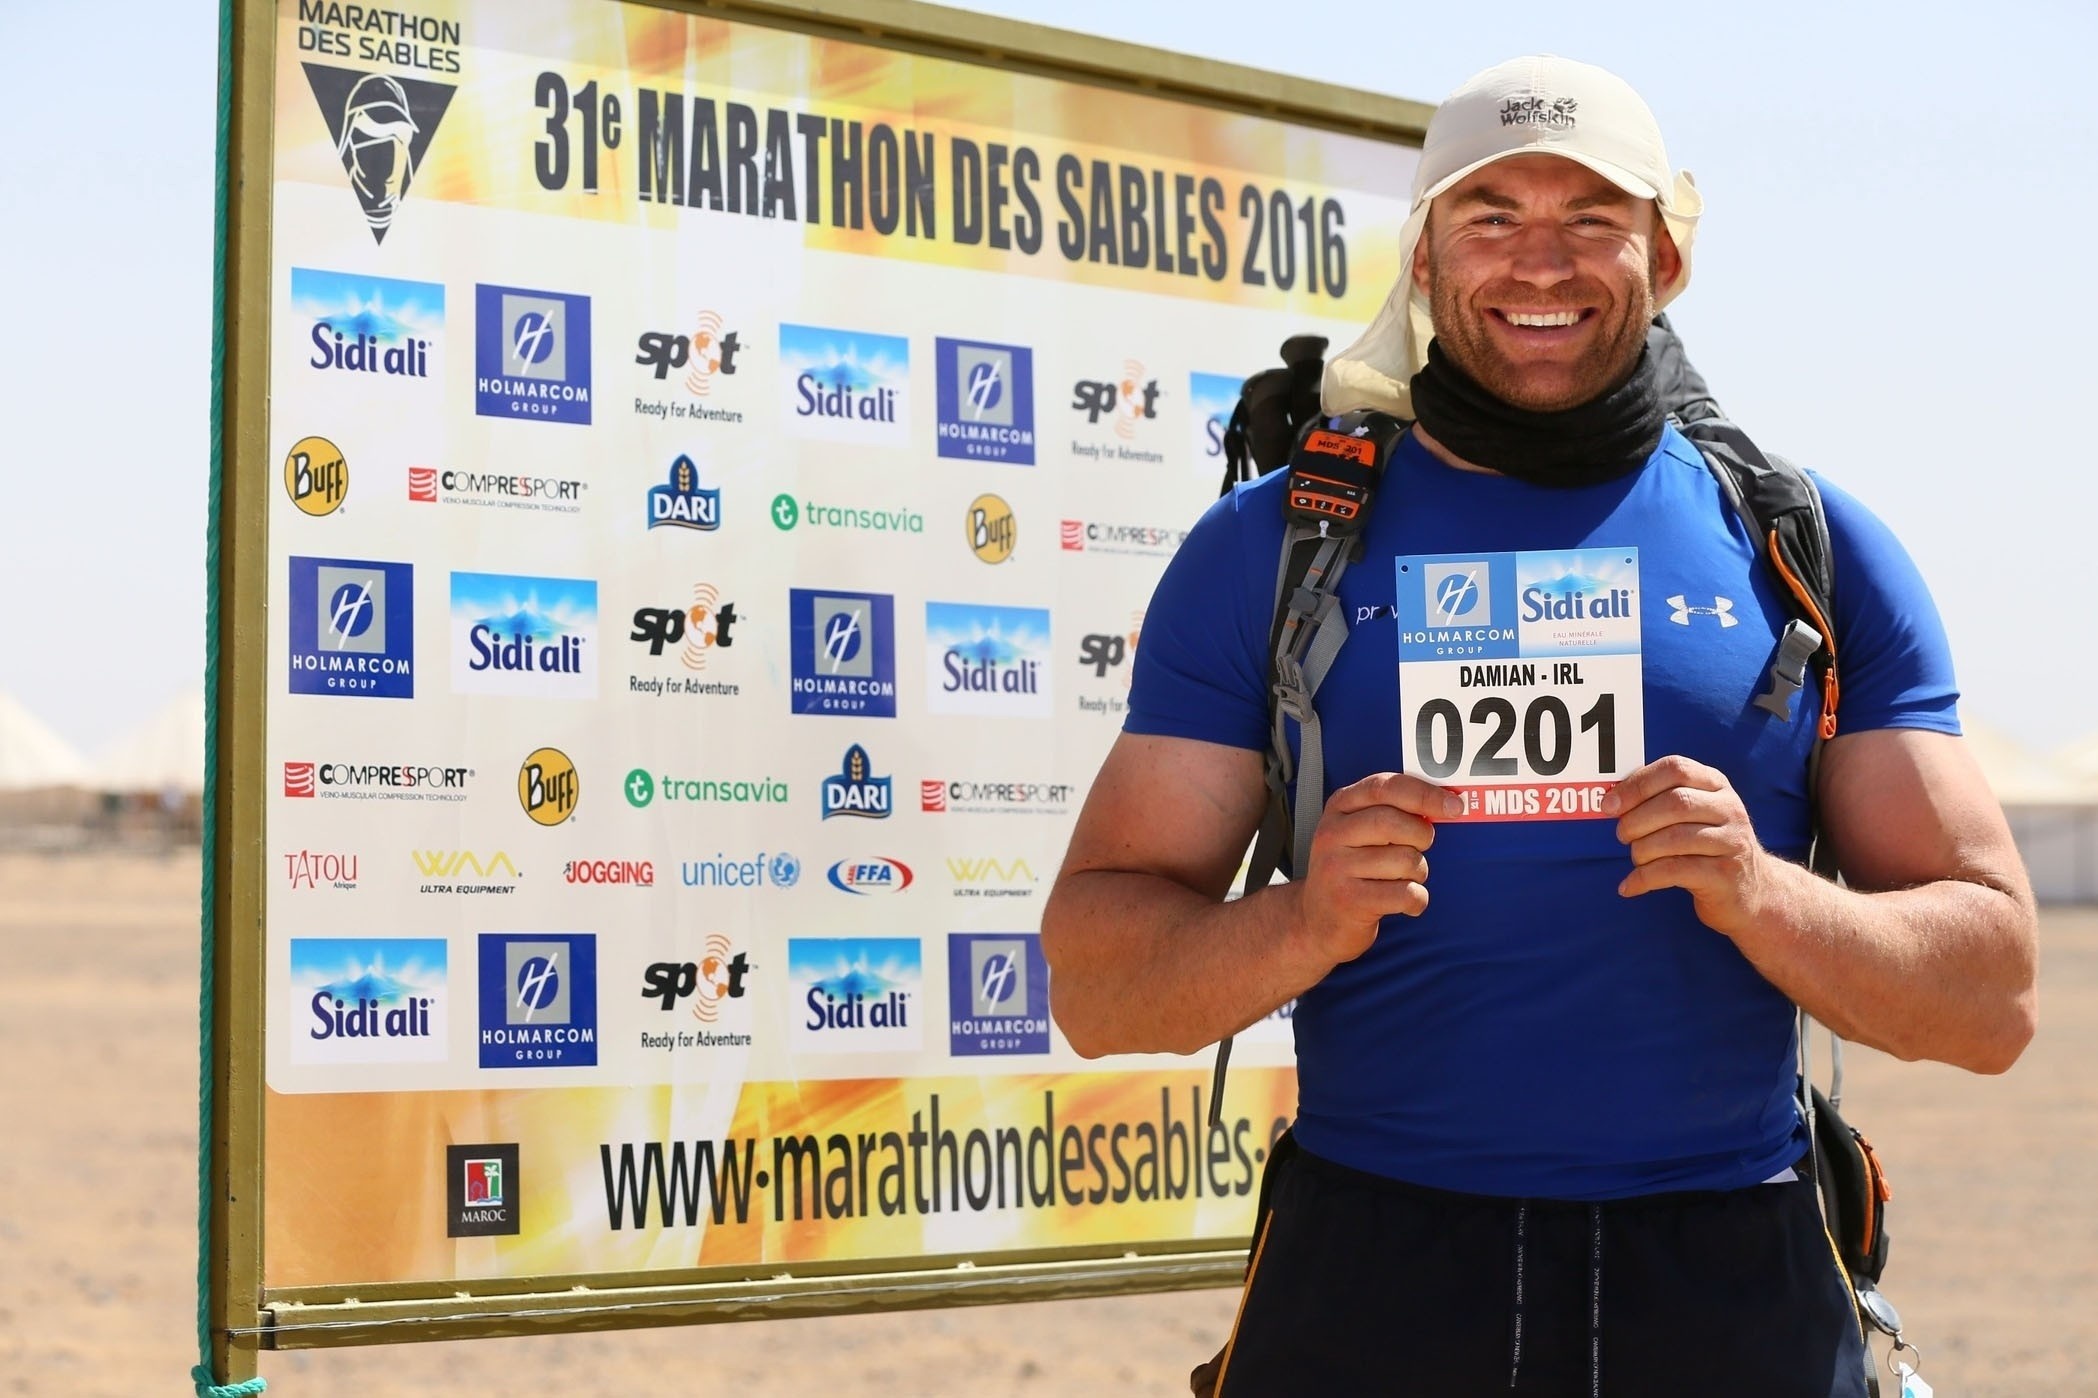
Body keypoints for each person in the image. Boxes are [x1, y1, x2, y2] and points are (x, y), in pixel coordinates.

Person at [1040, 54, 2037, 1397]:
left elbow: (1993, 999)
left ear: (1664, 256)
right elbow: (1095, 988)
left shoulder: (1807, 545)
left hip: (1727, 1264)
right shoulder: (1270, 548)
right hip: (1378, 1261)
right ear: (1424, 255)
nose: (1539, 262)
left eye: (1590, 217)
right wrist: (1303, 918)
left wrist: (1764, 896)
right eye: (1491, 214)